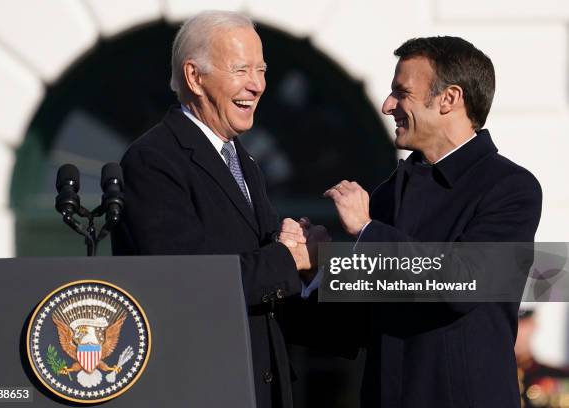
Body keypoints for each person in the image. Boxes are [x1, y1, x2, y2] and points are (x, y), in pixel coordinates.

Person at [281, 36, 542, 407]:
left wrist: (367, 231)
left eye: (401, 93)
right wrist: (314, 269)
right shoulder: (390, 194)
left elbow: (460, 285)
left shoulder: (510, 188)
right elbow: (356, 326)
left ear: (449, 98)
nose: (388, 106)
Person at [111, 11, 323, 408]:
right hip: (199, 388)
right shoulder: (153, 160)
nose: (257, 85)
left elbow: (257, 278)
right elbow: (184, 279)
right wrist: (285, 258)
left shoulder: (244, 163)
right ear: (194, 77)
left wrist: (306, 262)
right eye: (242, 69)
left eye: (261, 70)